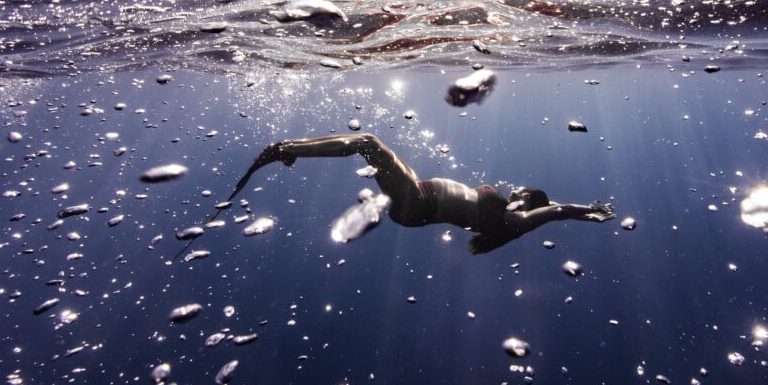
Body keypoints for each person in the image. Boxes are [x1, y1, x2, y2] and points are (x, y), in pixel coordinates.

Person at [229, 133, 615, 253]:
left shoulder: (517, 221)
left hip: (418, 203)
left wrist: (587, 210)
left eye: (523, 192)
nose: (516, 189)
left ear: (528, 201)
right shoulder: (507, 215)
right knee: (381, 152)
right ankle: (291, 149)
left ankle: (286, 150)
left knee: (368, 144)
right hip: (419, 197)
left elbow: (557, 211)